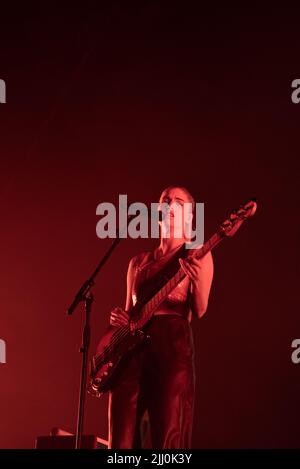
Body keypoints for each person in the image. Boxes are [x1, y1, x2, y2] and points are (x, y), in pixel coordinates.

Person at [108, 186, 214, 449]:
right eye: (165, 200)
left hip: (171, 345)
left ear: (190, 216)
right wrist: (121, 318)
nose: (170, 204)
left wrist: (198, 280)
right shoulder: (138, 262)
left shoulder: (197, 252)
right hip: (132, 351)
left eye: (178, 202)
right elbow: (130, 314)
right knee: (121, 438)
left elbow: (199, 310)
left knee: (168, 435)